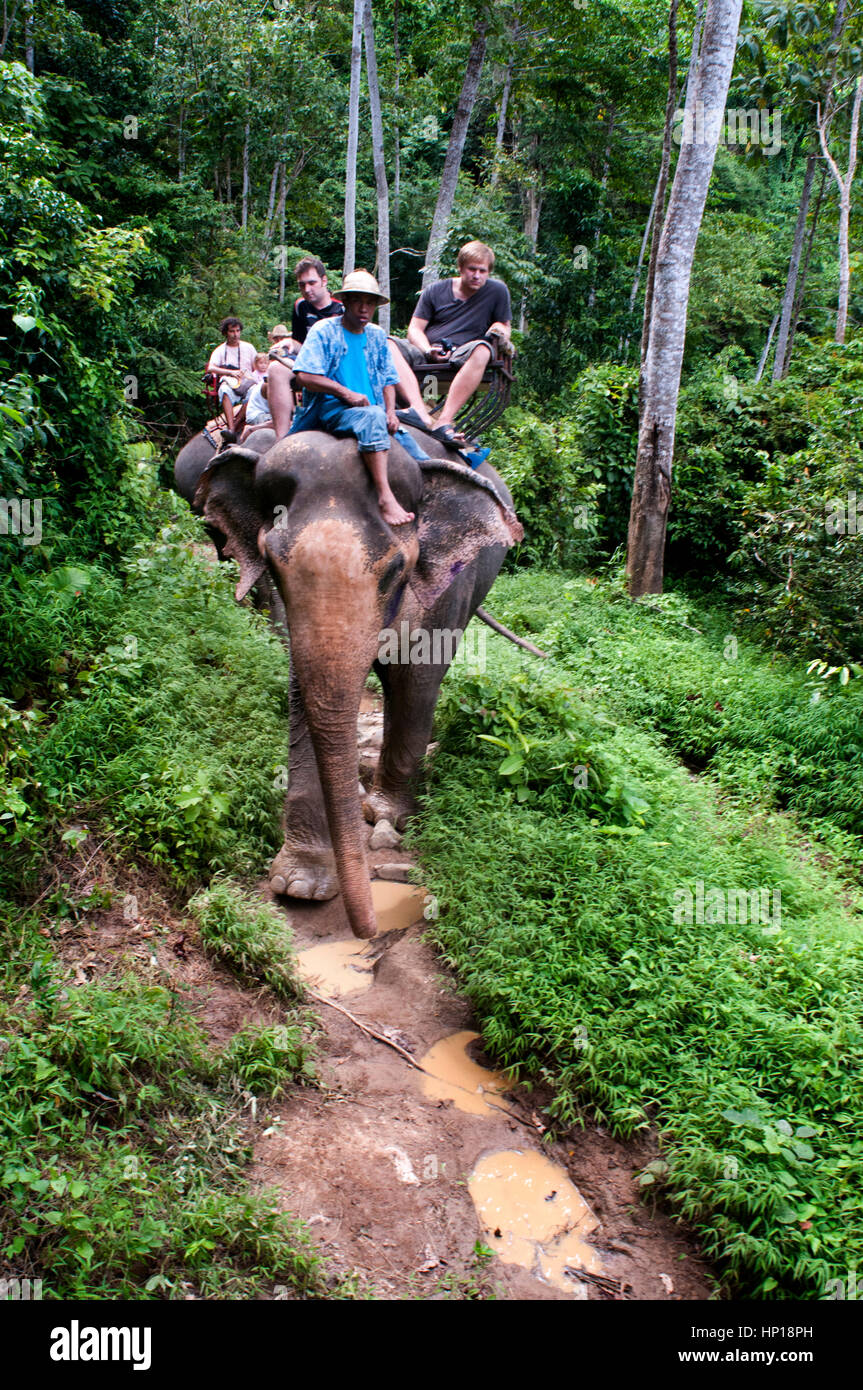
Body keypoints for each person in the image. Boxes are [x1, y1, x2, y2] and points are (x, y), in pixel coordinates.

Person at [289, 269, 428, 527]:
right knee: (373, 416)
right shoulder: (324, 330)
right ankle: (385, 498)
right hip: (333, 410)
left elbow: (388, 378)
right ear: (347, 302)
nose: (364, 308)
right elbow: (304, 376)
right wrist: (345, 392)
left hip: (372, 413)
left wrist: (390, 411)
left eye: (370, 303)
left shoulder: (376, 335)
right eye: (358, 301)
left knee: (423, 458)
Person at [392, 240, 511, 443]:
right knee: (386, 343)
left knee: (483, 349)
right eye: (472, 269)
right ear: (460, 268)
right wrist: (428, 349)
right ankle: (418, 409)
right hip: (428, 351)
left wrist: (500, 331)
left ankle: (443, 421)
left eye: (482, 271)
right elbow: (415, 329)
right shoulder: (436, 290)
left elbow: (505, 327)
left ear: (489, 272)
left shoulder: (497, 291)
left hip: (465, 351)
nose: (476, 275)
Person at [206, 317, 259, 438]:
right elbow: (211, 368)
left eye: (237, 331)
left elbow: (257, 366)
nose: (235, 334)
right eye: (232, 331)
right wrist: (230, 372)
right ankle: (230, 427)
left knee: (255, 391)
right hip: (230, 382)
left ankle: (234, 425)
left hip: (247, 382)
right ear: (226, 333)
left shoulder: (249, 347)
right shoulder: (220, 350)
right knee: (224, 390)